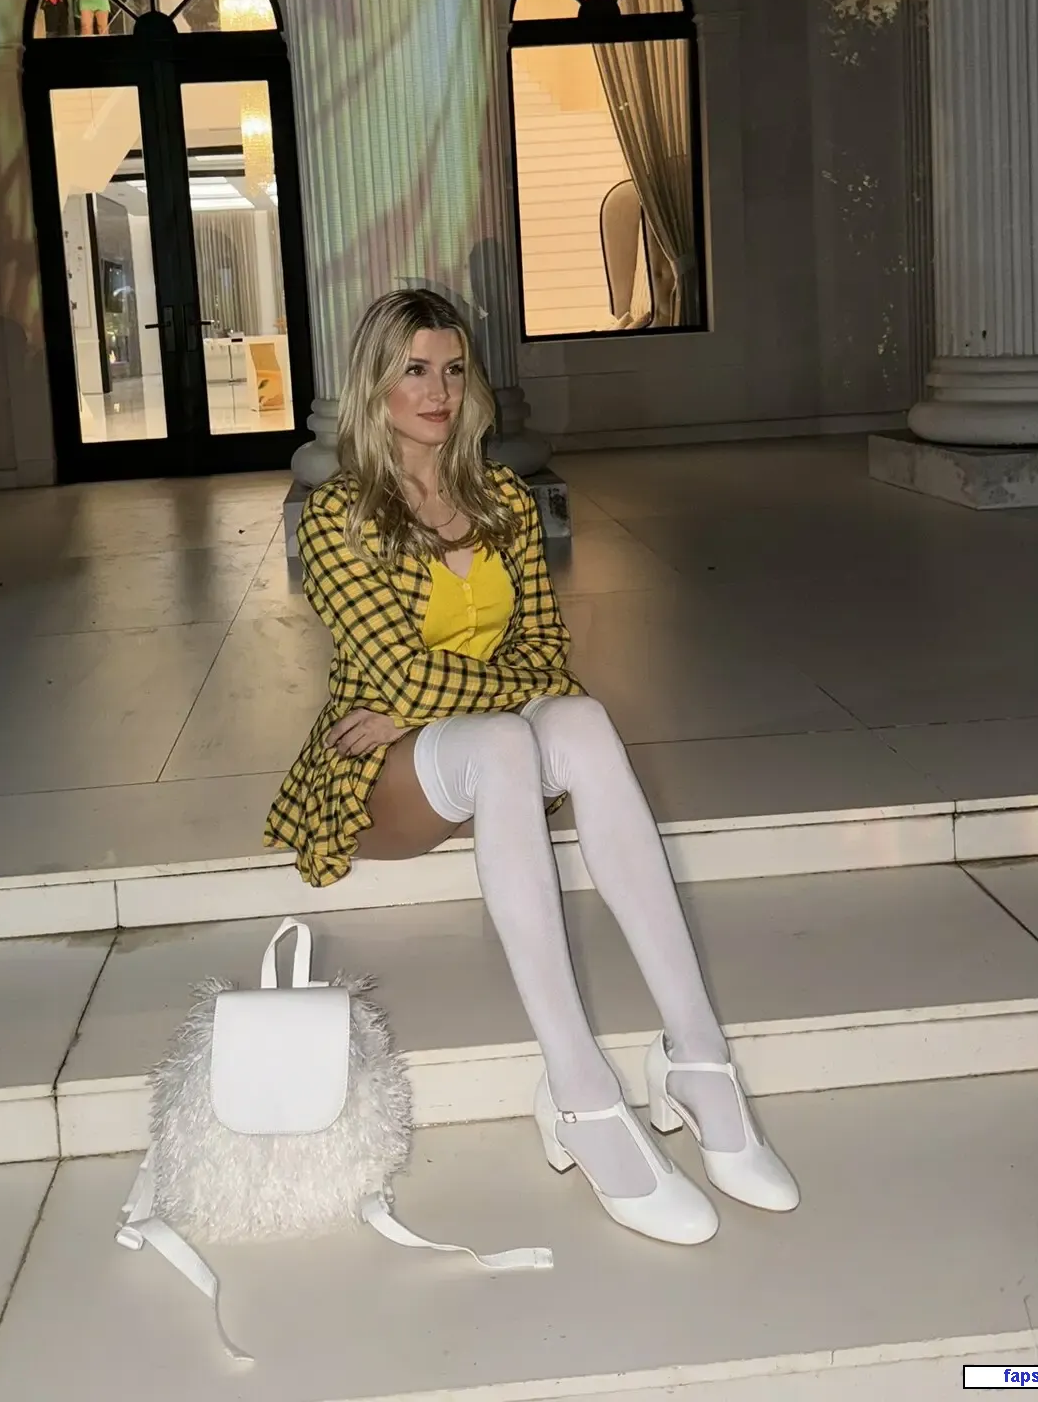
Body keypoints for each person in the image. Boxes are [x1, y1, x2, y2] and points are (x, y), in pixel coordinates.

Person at [265, 288, 799, 1245]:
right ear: (376, 384)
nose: (438, 391)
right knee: (509, 737)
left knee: (582, 721)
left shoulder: (503, 499)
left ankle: (697, 1056)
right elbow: (399, 672)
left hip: (460, 734)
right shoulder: (338, 513)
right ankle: (581, 1088)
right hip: (375, 774)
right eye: (414, 370)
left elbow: (548, 658)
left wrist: (432, 693)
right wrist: (448, 695)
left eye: (452, 369)